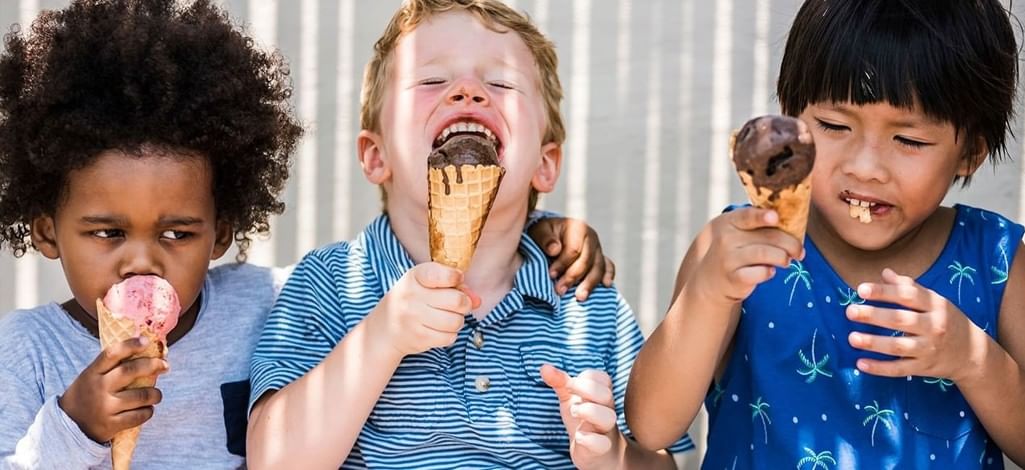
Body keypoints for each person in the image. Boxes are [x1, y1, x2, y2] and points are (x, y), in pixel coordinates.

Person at [0, 0, 608, 468]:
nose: (142, 262)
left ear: (222, 234)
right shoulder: (25, 352)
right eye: (105, 233)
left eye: (178, 233)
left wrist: (533, 227)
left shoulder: (263, 300)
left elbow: (383, 266)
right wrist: (73, 425)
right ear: (47, 231)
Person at [245, 1, 692, 468]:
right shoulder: (330, 283)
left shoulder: (587, 302)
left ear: (545, 164)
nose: (468, 91)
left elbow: (662, 461)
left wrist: (611, 453)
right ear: (376, 156)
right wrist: (379, 339)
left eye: (501, 83)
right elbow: (272, 460)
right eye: (432, 80)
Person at [626, 1, 1025, 468]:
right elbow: (652, 427)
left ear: (970, 152)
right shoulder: (736, 248)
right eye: (835, 126)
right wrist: (709, 295)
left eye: (909, 140)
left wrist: (974, 361)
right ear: (791, 122)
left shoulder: (998, 262)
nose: (865, 167)